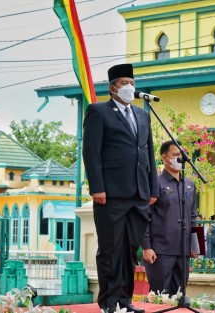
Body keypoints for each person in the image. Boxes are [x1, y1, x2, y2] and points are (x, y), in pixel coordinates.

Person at [82, 63, 158, 313]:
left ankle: (125, 301)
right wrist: (97, 188)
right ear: (112, 87)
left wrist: (153, 189)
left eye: (132, 83)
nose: (129, 87)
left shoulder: (142, 115)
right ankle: (108, 302)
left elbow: (148, 154)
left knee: (129, 251)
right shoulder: (98, 111)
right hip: (111, 195)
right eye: (124, 83)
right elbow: (91, 153)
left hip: (138, 194)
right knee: (110, 249)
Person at [142, 140, 197, 295]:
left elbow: (193, 215)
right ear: (165, 158)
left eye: (183, 154)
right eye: (176, 154)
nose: (181, 158)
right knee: (160, 296)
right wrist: (146, 247)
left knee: (180, 296)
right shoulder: (155, 183)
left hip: (183, 250)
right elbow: (144, 216)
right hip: (160, 250)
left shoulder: (190, 185)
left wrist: (196, 245)